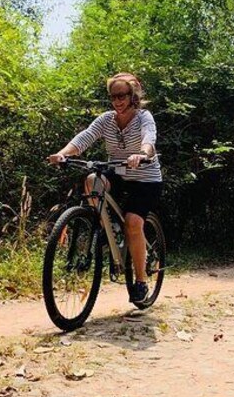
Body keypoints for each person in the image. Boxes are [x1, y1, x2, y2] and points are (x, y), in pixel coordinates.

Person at [48, 73, 162, 304]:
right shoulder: (106, 119)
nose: (117, 101)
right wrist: (63, 153)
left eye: (122, 96)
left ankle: (140, 282)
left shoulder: (143, 117)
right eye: (113, 97)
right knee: (91, 180)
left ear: (132, 96)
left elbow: (149, 139)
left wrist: (142, 154)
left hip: (145, 178)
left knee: (133, 223)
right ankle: (107, 228)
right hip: (118, 172)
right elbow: (84, 138)